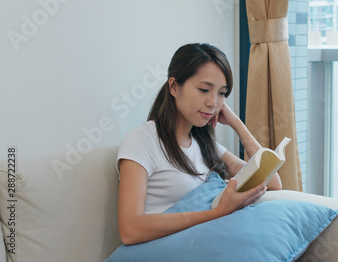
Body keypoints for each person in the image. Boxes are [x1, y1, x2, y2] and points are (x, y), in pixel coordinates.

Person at [117, 43, 282, 245]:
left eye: (222, 93)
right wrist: (218, 212)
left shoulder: (205, 145)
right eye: (204, 89)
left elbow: (273, 183)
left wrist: (236, 123)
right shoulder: (142, 140)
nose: (213, 102)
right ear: (174, 87)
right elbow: (130, 229)